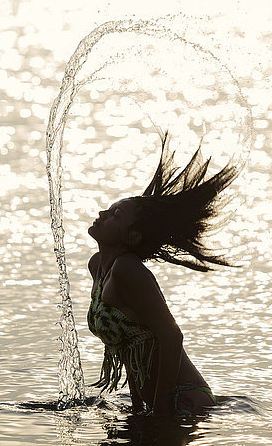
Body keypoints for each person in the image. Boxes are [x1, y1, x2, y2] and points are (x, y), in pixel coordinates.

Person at [87, 132, 241, 417]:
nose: (102, 213)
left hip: (184, 399)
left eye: (115, 215)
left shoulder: (127, 270)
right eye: (109, 210)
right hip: (153, 401)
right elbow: (128, 348)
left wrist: (159, 412)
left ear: (132, 237)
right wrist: (138, 409)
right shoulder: (98, 266)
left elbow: (172, 337)